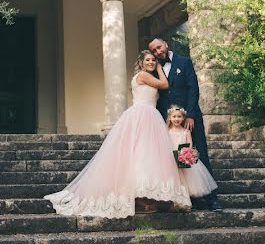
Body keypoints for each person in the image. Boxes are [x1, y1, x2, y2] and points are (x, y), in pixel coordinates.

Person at [44, 50, 191, 218]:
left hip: (149, 116)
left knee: (145, 154)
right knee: (140, 152)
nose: (151, 62)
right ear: (141, 63)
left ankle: (145, 195)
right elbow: (165, 84)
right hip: (143, 116)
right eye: (148, 60)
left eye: (154, 60)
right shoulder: (143, 75)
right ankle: (139, 196)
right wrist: (159, 67)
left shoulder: (143, 77)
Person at [149, 37, 223, 211]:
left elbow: (193, 88)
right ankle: (190, 198)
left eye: (159, 47)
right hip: (169, 123)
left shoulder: (184, 61)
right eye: (154, 51)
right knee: (175, 160)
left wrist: (190, 115)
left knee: (199, 154)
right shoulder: (154, 70)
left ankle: (212, 199)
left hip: (190, 118)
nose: (158, 52)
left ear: (165, 44)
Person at [167, 105, 218, 200]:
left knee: (187, 181)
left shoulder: (186, 132)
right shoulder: (167, 132)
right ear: (170, 118)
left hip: (183, 160)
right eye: (174, 116)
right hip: (171, 160)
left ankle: (186, 199)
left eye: (179, 117)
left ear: (183, 118)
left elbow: (189, 145)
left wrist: (186, 154)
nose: (176, 119)